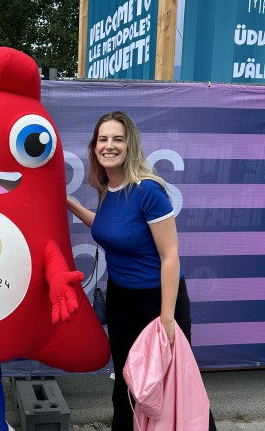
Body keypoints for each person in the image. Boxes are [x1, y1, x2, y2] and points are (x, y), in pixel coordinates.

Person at [67, 111, 217, 431]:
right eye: (103, 139)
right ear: (95, 147)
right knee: (127, 379)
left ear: (130, 144)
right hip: (121, 296)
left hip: (158, 299)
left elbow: (170, 256)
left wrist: (166, 321)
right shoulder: (109, 187)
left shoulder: (148, 189)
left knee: (170, 385)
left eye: (117, 139)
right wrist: (71, 204)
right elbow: (110, 229)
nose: (109, 146)